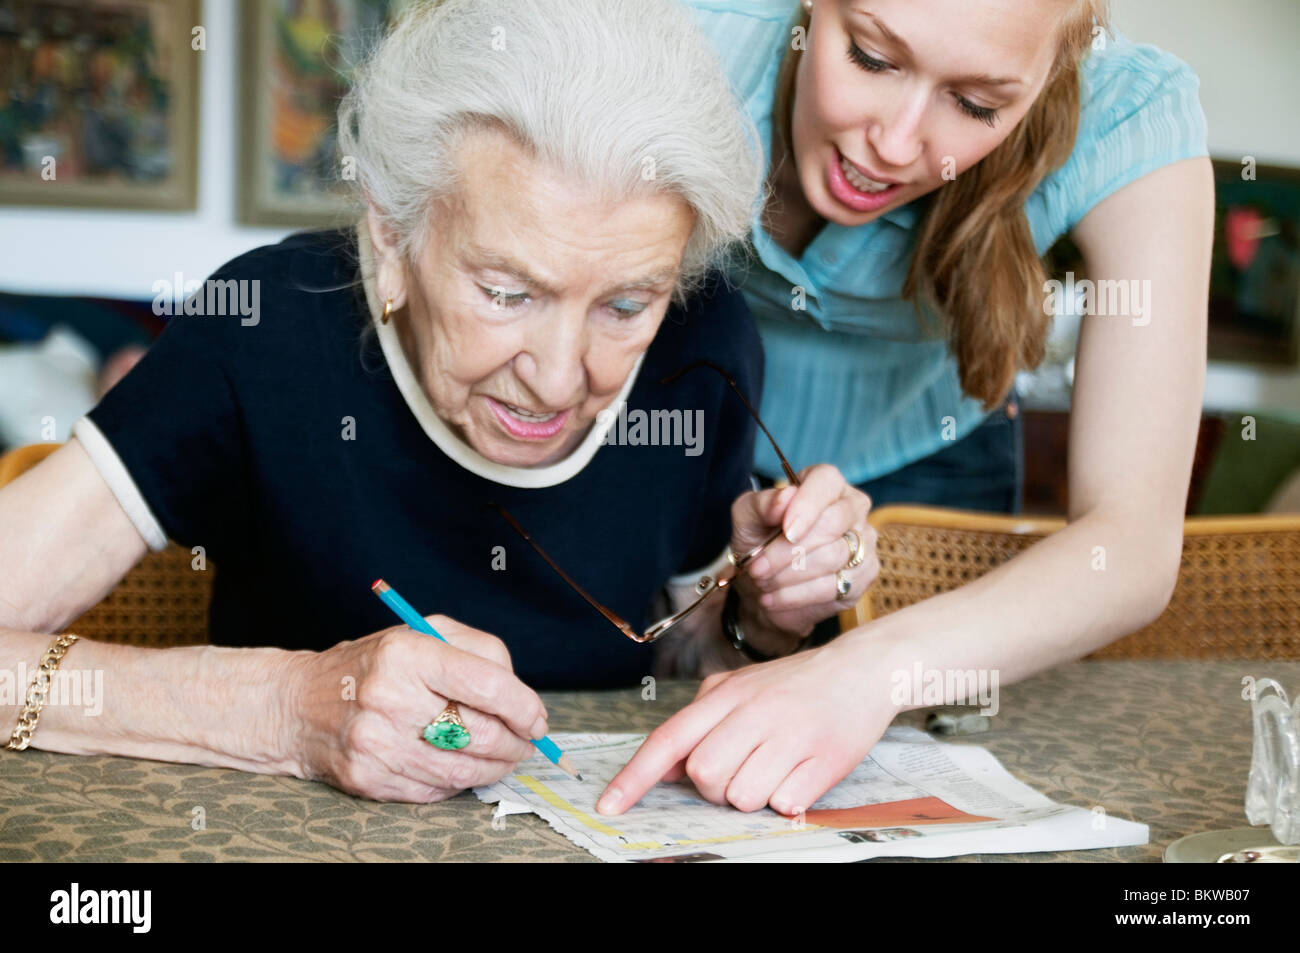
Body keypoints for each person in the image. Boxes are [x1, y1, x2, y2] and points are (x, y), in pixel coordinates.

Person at [0, 0, 876, 804]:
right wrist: (286, 711)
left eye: (624, 304)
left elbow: (680, 657)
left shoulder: (702, 343)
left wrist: (759, 618)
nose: (562, 379)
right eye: (506, 292)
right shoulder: (263, 325)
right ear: (393, 237)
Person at [598, 0, 1213, 817]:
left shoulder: (1130, 113)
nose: (891, 144)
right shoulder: (680, 25)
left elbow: (1131, 545)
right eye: (872, 58)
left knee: (913, 786)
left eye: (976, 104)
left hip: (934, 461)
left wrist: (868, 672)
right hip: (676, 428)